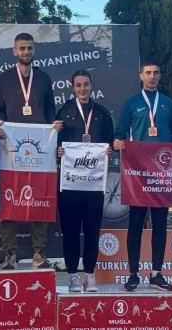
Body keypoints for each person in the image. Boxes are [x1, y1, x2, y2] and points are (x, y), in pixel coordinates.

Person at [114, 60, 172, 292]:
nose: (152, 76)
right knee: (135, 225)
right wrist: (117, 142)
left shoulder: (168, 104)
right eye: (148, 72)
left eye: (156, 72)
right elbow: (119, 133)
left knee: (160, 225)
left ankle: (157, 273)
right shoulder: (132, 103)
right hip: (138, 175)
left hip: (162, 176)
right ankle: (133, 274)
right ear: (141, 76)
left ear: (160, 76)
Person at [0, 32, 62, 269]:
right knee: (9, 197)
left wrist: (54, 128)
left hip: (39, 148)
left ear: (34, 50)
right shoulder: (4, 78)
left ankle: (39, 253)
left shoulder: (43, 78)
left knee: (39, 196)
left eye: (29, 48)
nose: (26, 52)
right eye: (22, 48)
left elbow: (50, 109)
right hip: (12, 148)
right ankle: (9, 254)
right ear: (14, 51)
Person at [56, 70, 114, 292]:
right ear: (73, 88)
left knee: (92, 230)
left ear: (92, 86)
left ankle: (90, 274)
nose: (82, 89)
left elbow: (110, 142)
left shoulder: (102, 113)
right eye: (78, 85)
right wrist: (58, 150)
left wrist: (109, 150)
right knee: (70, 230)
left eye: (86, 84)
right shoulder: (63, 112)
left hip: (93, 185)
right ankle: (72, 275)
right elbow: (54, 141)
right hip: (70, 184)